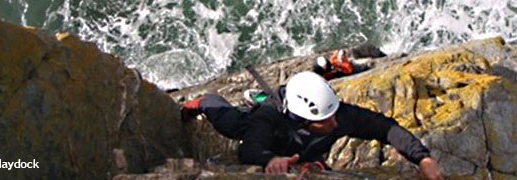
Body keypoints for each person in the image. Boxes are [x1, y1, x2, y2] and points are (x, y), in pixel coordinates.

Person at [181, 71, 443, 180]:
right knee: (231, 122)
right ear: (302, 118)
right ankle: (203, 101)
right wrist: (270, 159)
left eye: (332, 115)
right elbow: (248, 149)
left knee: (310, 154)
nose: (335, 123)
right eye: (324, 121)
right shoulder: (267, 118)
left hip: (299, 145)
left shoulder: (338, 115)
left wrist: (423, 158)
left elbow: (384, 127)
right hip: (261, 126)